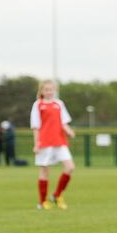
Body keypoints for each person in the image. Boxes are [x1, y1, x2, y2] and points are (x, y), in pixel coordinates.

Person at [31, 80, 75, 210]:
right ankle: (43, 201)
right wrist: (36, 143)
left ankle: (57, 195)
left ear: (55, 90)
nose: (49, 92)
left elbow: (63, 121)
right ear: (42, 91)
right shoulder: (38, 105)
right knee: (45, 171)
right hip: (44, 142)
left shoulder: (59, 104)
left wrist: (69, 131)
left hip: (59, 141)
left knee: (70, 167)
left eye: (51, 89)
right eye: (46, 89)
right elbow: (35, 126)